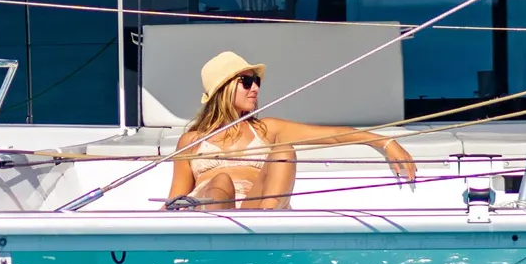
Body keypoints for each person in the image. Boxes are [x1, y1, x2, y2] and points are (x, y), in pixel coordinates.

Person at [166, 51, 419, 209]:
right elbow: (176, 199)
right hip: (209, 215)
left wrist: (383, 141)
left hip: (254, 214)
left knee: (283, 151)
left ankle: (268, 232)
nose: (255, 88)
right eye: (246, 81)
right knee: (221, 182)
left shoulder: (267, 130)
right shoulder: (192, 141)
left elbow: (328, 135)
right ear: (223, 91)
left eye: (257, 81)